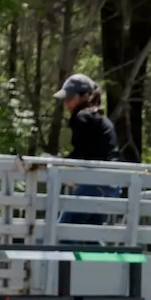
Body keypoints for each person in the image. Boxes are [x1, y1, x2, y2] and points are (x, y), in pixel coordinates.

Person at [53, 73, 122, 225]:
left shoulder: (82, 117)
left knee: (63, 232)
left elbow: (80, 154)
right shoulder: (100, 118)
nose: (67, 103)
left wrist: (56, 165)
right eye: (66, 99)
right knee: (87, 236)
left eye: (70, 98)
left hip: (95, 184)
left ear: (86, 96)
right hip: (111, 186)